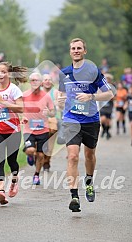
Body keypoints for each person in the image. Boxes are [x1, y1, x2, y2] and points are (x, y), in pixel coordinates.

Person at [58, 38, 114, 212]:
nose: (76, 50)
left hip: (90, 120)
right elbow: (60, 96)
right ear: (70, 52)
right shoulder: (64, 73)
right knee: (73, 156)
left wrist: (91, 97)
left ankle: (89, 181)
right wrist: (59, 101)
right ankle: (74, 196)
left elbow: (109, 94)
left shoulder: (93, 71)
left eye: (79, 48)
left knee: (89, 155)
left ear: (84, 51)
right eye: (73, 48)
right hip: (71, 120)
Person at [0, 61, 27, 205]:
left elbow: (21, 109)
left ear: (9, 74)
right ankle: (1, 192)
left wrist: (3, 102)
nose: (0, 74)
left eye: (3, 72)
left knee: (12, 162)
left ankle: (14, 181)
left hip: (13, 131)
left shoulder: (14, 90)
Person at [22, 72, 55, 185]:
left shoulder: (46, 96)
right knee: (30, 150)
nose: (34, 82)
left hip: (43, 129)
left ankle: (36, 175)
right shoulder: (24, 95)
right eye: (32, 80)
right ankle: (30, 156)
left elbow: (53, 112)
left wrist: (49, 112)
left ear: (41, 83)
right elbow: (18, 109)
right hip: (28, 130)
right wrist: (22, 117)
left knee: (41, 155)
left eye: (37, 80)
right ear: (30, 82)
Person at [41, 73, 59, 171]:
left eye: (49, 79)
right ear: (41, 83)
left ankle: (47, 162)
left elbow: (59, 105)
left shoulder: (55, 92)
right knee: (38, 142)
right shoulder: (37, 92)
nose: (47, 81)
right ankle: (36, 156)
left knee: (49, 144)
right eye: (45, 80)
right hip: (39, 120)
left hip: (52, 120)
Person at [99, 73, 114, 139]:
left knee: (108, 120)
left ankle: (107, 132)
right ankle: (104, 130)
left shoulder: (112, 87)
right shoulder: (101, 87)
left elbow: (114, 96)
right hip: (102, 106)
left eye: (108, 79)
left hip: (109, 106)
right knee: (103, 119)